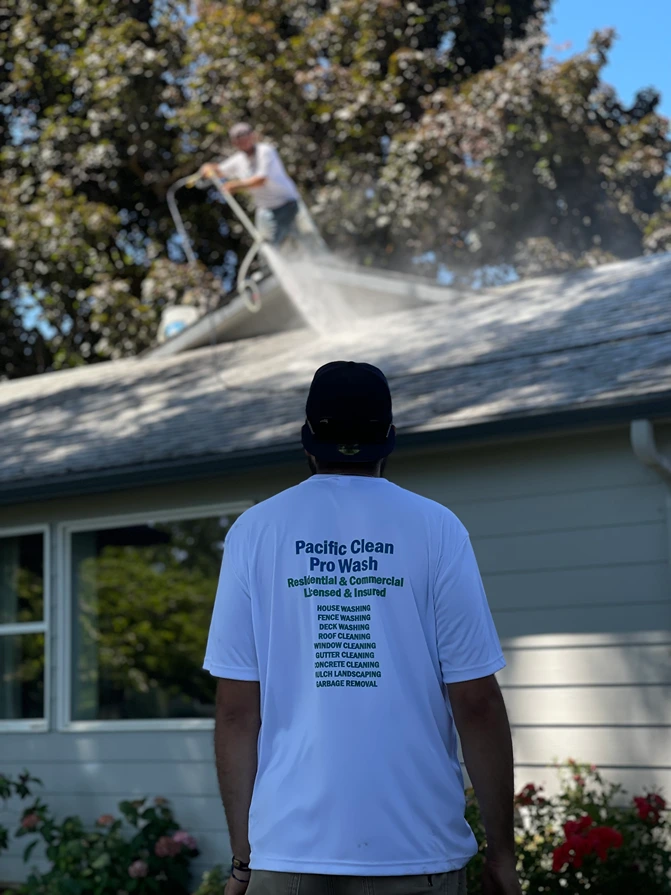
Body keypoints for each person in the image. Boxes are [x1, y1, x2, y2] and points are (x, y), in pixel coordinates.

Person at [204, 361, 522, 895]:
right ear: (389, 440)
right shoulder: (436, 527)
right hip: (418, 851)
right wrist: (503, 855)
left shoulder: (254, 533)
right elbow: (477, 703)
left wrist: (244, 861)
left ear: (308, 442)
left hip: (288, 854)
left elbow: (237, 712)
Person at [200, 123, 300, 245]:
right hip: (265, 210)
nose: (243, 141)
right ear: (235, 143)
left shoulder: (265, 151)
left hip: (286, 204)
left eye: (245, 137)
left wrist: (236, 185)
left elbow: (261, 179)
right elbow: (220, 171)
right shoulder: (239, 160)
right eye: (239, 140)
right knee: (263, 245)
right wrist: (208, 168)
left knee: (279, 242)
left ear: (253, 136)